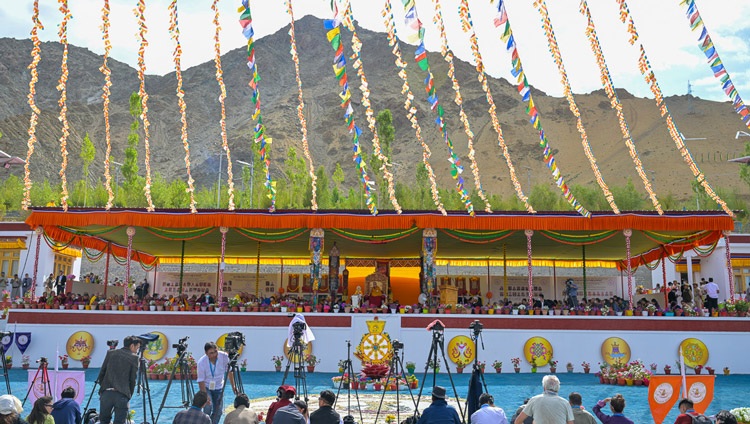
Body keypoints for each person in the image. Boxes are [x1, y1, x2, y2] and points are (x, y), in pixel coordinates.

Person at [97, 335, 140, 424]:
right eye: (137, 348)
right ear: (132, 346)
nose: (137, 350)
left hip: (106, 393)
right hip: (122, 394)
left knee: (104, 421)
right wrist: (128, 395)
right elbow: (133, 380)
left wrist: (104, 388)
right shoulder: (134, 358)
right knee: (120, 422)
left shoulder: (111, 353)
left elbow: (101, 373)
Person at [197, 342, 236, 424]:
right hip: (207, 387)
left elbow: (229, 372)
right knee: (207, 408)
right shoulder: (201, 362)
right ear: (206, 353)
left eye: (215, 351)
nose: (214, 354)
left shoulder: (224, 356)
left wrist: (234, 386)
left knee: (219, 411)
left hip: (219, 387)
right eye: (211, 353)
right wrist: (205, 395)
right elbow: (201, 380)